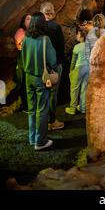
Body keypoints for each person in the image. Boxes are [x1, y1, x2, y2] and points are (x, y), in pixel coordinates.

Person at [21, 14, 57, 150]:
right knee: (42, 110)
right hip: (41, 78)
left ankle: (32, 138)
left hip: (28, 77)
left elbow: (23, 58)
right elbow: (52, 60)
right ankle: (40, 141)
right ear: (42, 24)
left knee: (31, 109)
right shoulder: (45, 40)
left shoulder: (26, 38)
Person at [40, 2, 65, 131]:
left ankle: (42, 121)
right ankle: (52, 121)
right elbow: (61, 48)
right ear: (52, 12)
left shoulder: (38, 28)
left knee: (42, 93)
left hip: (40, 67)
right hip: (54, 66)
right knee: (52, 94)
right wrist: (59, 63)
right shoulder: (55, 27)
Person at [65, 28, 89, 115]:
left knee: (74, 89)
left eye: (78, 34)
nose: (76, 36)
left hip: (78, 68)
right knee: (84, 88)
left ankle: (72, 109)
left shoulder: (77, 47)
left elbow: (73, 61)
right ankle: (83, 107)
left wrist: (71, 71)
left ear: (82, 36)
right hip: (88, 68)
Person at [14, 14, 31, 112]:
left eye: (31, 19)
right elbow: (19, 46)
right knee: (23, 82)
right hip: (23, 60)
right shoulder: (21, 31)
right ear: (23, 21)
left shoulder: (32, 32)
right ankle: (25, 106)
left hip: (30, 59)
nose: (30, 20)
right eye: (28, 19)